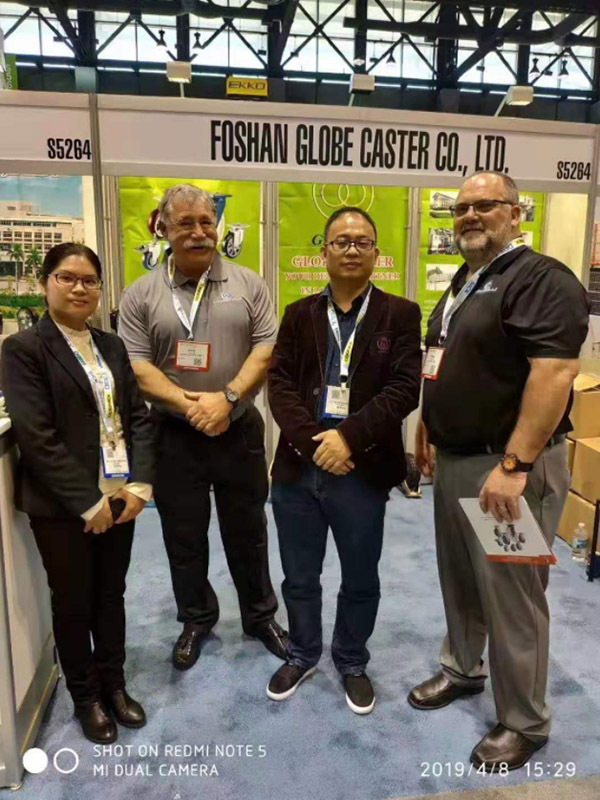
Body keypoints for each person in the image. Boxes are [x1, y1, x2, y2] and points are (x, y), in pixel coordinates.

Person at [408, 172, 590, 770]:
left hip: (507, 468)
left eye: (484, 205)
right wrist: (428, 422)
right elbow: (445, 361)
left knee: (513, 595)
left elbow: (554, 374)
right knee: (461, 579)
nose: (469, 216)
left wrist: (514, 465)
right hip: (457, 460)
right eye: (460, 208)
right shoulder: (465, 281)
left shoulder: (541, 279)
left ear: (516, 213)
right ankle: (463, 668)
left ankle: (524, 721)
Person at [118, 183, 287, 671]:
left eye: (206, 222)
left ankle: (260, 617)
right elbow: (136, 365)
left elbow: (265, 350)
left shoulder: (249, 284)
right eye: (185, 223)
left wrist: (226, 399)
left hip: (238, 429)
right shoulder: (140, 294)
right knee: (183, 535)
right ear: (163, 228)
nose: (198, 232)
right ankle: (196, 618)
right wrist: (190, 404)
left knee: (249, 530)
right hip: (174, 435)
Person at [267, 206, 421, 714]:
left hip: (362, 469)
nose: (351, 249)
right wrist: (317, 442)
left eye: (362, 242)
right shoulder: (298, 313)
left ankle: (352, 659)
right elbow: (279, 385)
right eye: (341, 241)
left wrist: (347, 439)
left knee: (360, 577)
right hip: (299, 467)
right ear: (324, 252)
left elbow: (404, 389)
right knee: (299, 575)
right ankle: (303, 652)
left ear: (377, 253)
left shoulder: (401, 314)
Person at [0, 243, 155, 744]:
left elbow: (137, 418)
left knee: (111, 596)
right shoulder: (23, 349)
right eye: (67, 277)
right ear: (45, 283)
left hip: (120, 496)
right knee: (73, 603)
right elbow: (36, 435)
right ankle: (85, 697)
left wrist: (139, 486)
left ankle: (115, 685)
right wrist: (87, 502)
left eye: (89, 280)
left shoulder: (111, 346)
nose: (79, 288)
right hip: (64, 506)